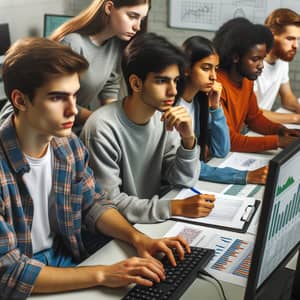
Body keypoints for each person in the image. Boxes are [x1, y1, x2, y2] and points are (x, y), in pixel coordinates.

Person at [0, 37, 190, 299]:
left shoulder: (68, 147)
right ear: (20, 100)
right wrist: (104, 274)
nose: (73, 110)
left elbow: (93, 204)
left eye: (75, 95)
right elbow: (10, 272)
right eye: (57, 98)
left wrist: (138, 239)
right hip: (24, 281)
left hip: (66, 261)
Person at [81, 32, 216, 224]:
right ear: (136, 83)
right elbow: (107, 204)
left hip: (148, 222)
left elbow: (184, 181)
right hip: (111, 234)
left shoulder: (163, 117)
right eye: (162, 81)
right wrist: (174, 207)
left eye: (175, 81)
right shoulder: (101, 128)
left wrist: (188, 140)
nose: (173, 91)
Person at [0, 0, 150, 132]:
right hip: (27, 122)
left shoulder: (115, 44)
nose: (137, 26)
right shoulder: (72, 43)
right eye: (132, 16)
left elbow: (109, 86)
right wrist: (99, 121)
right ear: (109, 8)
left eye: (141, 19)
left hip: (66, 120)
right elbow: (52, 97)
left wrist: (113, 120)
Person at [176, 35, 268, 185]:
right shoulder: (172, 106)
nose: (213, 76)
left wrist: (215, 107)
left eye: (216, 69)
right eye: (206, 68)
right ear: (186, 68)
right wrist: (243, 176)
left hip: (191, 181)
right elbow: (187, 167)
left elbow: (221, 150)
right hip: (175, 185)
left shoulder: (200, 102)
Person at [213, 17, 300, 153]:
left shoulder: (247, 79)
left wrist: (282, 130)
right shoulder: (216, 86)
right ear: (235, 57)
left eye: (262, 58)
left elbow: (255, 118)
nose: (261, 66)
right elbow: (230, 139)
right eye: (255, 59)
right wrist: (278, 141)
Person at [254, 8, 300, 124]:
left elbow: (287, 97)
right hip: (244, 132)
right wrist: (296, 119)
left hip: (262, 127)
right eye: (290, 39)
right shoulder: (251, 62)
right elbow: (251, 112)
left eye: (298, 39)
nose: (296, 46)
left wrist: (298, 108)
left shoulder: (282, 60)